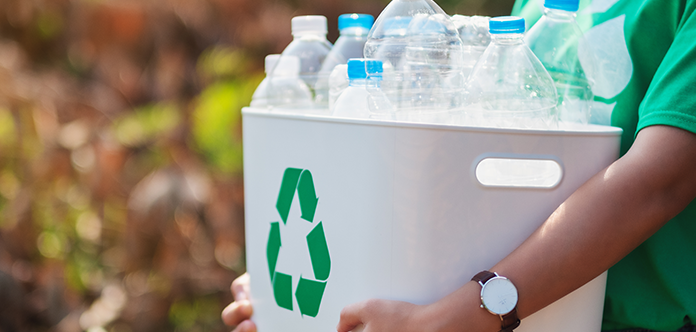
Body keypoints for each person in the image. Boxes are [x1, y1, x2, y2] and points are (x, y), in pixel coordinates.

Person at [223, 0, 696, 331]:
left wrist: (464, 315)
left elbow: (661, 180)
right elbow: (469, 184)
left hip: (641, 320)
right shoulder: (531, 9)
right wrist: (288, 284)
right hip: (511, 318)